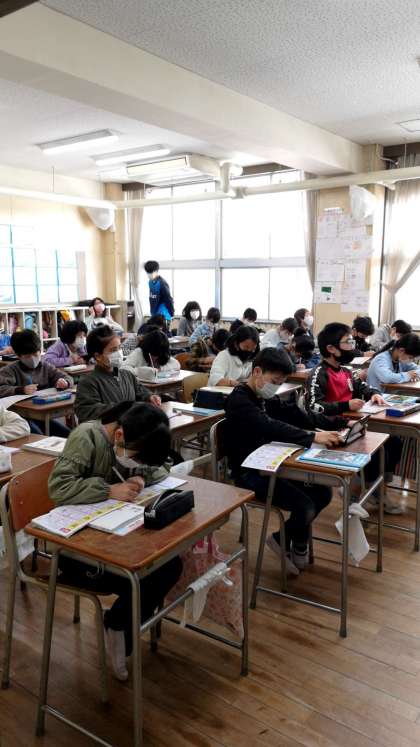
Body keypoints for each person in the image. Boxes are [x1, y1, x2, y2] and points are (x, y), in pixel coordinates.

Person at [48, 401, 182, 681]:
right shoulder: (86, 437)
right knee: (142, 578)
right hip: (78, 550)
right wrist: (108, 490)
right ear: (119, 435)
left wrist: (142, 476)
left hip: (115, 537)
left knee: (171, 565)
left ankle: (118, 624)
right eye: (137, 459)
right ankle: (120, 628)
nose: (136, 463)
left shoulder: (134, 441)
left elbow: (159, 468)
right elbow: (59, 487)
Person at [225, 348, 342, 574]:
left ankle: (297, 543)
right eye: (274, 381)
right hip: (249, 473)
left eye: (280, 383)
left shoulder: (264, 396)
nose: (276, 387)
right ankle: (280, 539)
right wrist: (312, 437)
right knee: (305, 505)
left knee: (322, 493)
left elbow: (296, 415)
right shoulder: (239, 400)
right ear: (257, 372)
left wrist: (338, 423)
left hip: (273, 466)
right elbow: (270, 426)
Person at [306, 322, 402, 513]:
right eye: (348, 342)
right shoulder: (319, 373)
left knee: (394, 443)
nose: (352, 346)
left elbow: (364, 387)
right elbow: (314, 408)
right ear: (331, 348)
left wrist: (375, 394)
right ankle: (356, 494)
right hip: (331, 429)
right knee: (375, 451)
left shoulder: (346, 371)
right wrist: (345, 406)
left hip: (353, 425)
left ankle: (375, 488)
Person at [75, 325, 159, 424]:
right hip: (108, 430)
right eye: (113, 350)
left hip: (129, 427)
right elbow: (86, 411)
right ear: (98, 356)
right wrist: (122, 408)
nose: (119, 353)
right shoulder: (88, 382)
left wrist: (150, 397)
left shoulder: (127, 375)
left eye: (119, 348)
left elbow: (140, 391)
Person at [0, 330, 73, 437]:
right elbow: (1, 388)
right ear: (18, 356)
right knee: (39, 436)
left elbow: (67, 377)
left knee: (67, 434)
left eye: (35, 354)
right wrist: (21, 389)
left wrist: (65, 382)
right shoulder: (10, 370)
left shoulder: (45, 366)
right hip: (20, 417)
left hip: (41, 412)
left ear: (40, 351)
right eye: (27, 356)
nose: (33, 359)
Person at [144, 260, 174, 325]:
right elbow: (152, 298)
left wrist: (172, 313)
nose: (149, 274)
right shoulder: (150, 282)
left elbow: (168, 299)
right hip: (155, 316)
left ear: (156, 271)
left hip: (164, 316)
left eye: (151, 272)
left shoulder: (162, 283)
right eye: (148, 272)